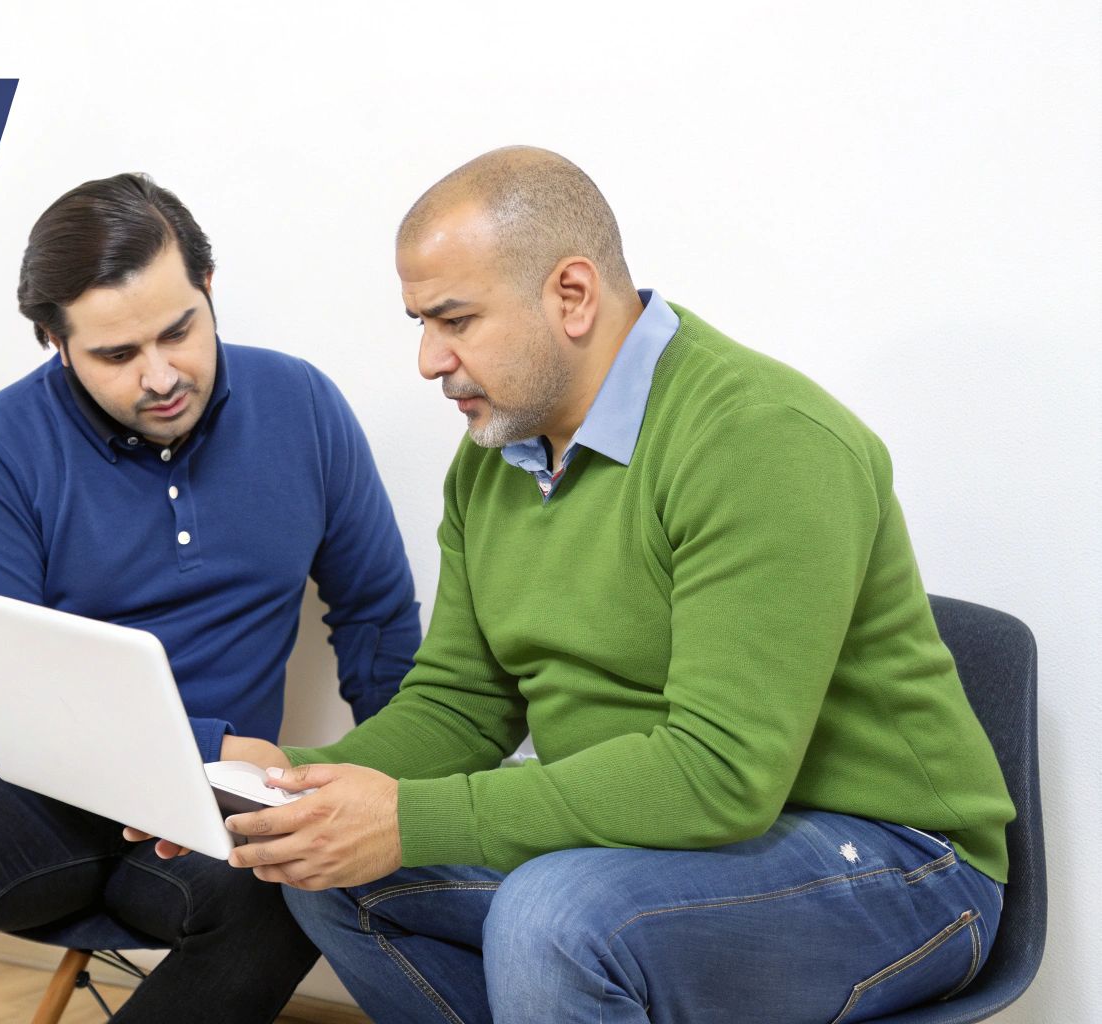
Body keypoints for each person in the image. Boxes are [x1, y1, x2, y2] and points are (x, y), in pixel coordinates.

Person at [201, 147, 1015, 1024]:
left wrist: (411, 818)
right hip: (671, 848)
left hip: (898, 864)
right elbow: (461, 706)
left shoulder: (759, 438)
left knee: (555, 915)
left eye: (456, 319)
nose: (430, 360)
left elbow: (718, 773)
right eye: (421, 324)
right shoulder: (495, 461)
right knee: (331, 875)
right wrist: (294, 784)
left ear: (573, 295)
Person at [0, 172, 423, 1023]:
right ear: (55, 342)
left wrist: (393, 792)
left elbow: (379, 625)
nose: (161, 377)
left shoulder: (302, 407)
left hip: (210, 811)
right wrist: (213, 740)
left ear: (208, 290)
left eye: (179, 331)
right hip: (36, 788)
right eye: (117, 356)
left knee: (291, 894)